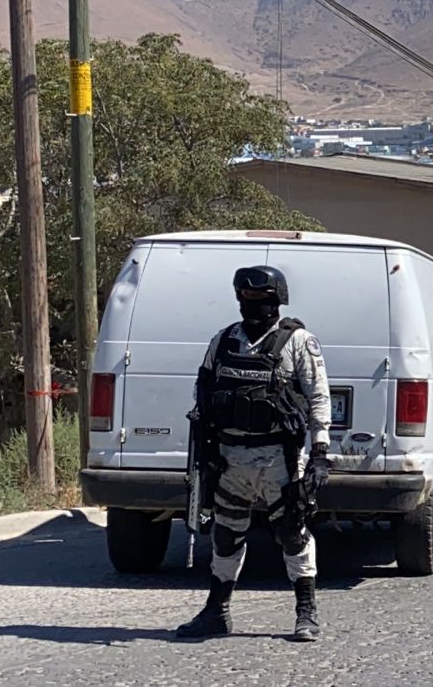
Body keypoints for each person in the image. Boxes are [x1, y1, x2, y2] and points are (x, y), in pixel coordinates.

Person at [176, 266, 332, 642]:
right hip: (231, 460)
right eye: (247, 298)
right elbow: (203, 396)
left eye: (262, 300)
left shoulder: (298, 342)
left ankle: (306, 613)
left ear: (276, 300)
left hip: (279, 460)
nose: (254, 306)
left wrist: (321, 452)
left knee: (292, 534)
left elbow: (318, 398)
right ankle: (217, 612)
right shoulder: (224, 341)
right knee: (226, 537)